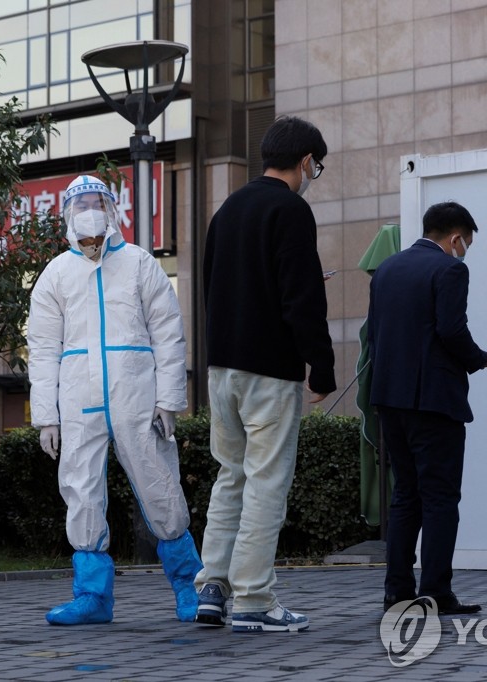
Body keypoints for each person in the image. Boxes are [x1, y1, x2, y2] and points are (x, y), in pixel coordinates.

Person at [27, 175, 202, 626]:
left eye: (96, 203)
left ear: (110, 210)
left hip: (137, 398)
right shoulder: (56, 274)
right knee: (81, 491)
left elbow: (168, 333)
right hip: (78, 399)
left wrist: (169, 399)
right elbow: (43, 348)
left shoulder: (141, 265)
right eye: (80, 205)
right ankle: (92, 597)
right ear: (67, 216)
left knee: (158, 484)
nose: (89, 212)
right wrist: (47, 415)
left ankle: (191, 586)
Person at [194, 115, 336, 633]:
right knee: (266, 482)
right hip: (269, 370)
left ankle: (212, 586)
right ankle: (254, 599)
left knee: (229, 476)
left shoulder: (227, 210)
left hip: (222, 366)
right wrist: (321, 367)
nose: (313, 174)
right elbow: (303, 298)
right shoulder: (291, 210)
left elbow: (214, 287)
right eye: (315, 166)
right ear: (304, 161)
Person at [368, 202, 487, 616]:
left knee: (405, 494)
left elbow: (374, 333)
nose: (465, 252)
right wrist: (479, 358)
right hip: (434, 401)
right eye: (466, 244)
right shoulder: (450, 270)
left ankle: (397, 591)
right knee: (441, 497)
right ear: (455, 238)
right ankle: (437, 592)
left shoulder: (387, 270)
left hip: (390, 399)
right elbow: (450, 329)